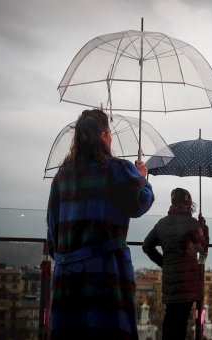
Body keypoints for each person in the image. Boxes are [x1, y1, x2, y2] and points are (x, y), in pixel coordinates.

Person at [46, 109, 154, 339]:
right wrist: (141, 177)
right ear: (104, 136)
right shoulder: (117, 170)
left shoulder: (61, 177)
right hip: (105, 277)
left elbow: (52, 236)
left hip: (67, 280)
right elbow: (141, 203)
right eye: (110, 134)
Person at [142, 187, 209, 340]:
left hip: (170, 281)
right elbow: (203, 249)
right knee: (182, 321)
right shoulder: (193, 224)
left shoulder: (161, 224)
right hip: (188, 282)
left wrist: (163, 263)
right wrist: (203, 227)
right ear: (187, 203)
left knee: (170, 317)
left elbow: (147, 246)